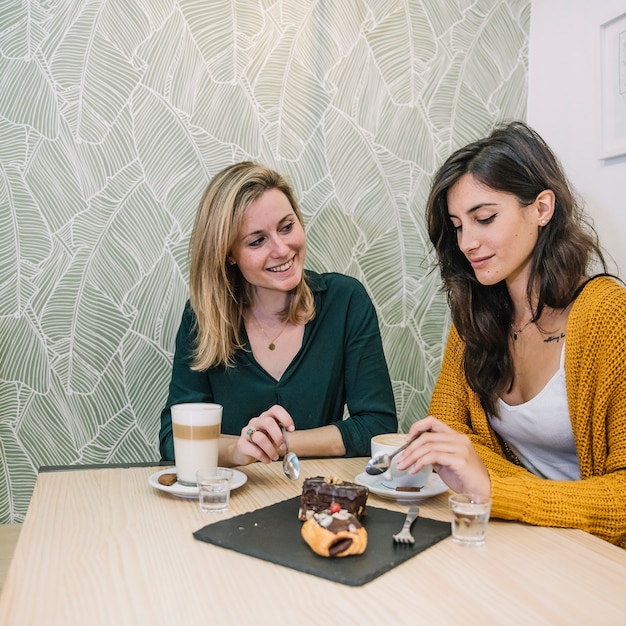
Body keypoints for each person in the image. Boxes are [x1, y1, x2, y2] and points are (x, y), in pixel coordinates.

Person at [396, 121, 626, 548]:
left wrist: (497, 490)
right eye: (458, 225)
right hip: (516, 542)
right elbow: (446, 441)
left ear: (542, 208)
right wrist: (482, 480)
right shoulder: (475, 317)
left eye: (484, 218)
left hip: (598, 557)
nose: (467, 242)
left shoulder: (608, 316)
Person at [159, 161, 397, 467]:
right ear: (228, 253)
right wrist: (238, 450)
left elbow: (377, 428)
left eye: (287, 227)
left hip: (317, 501)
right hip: (229, 499)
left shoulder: (346, 301)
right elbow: (173, 439)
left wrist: (279, 443)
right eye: (257, 240)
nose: (282, 249)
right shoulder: (204, 316)